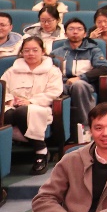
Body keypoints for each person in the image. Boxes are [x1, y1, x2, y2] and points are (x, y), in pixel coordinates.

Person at [2, 36, 62, 173]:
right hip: (13, 106)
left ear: (43, 51)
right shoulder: (12, 71)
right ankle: (41, 149)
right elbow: (3, 89)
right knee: (9, 113)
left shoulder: (52, 71)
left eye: (35, 50)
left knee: (23, 111)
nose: (30, 54)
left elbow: (54, 92)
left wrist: (31, 101)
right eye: (26, 50)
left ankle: (40, 152)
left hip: (40, 107)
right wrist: (11, 101)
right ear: (21, 52)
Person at [49, 16, 107, 129]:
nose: (75, 32)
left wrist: (81, 77)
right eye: (71, 29)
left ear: (85, 34)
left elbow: (106, 68)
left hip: (85, 85)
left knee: (78, 85)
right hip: (61, 85)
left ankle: (87, 127)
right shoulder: (56, 53)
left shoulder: (93, 51)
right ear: (65, 33)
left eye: (79, 29)